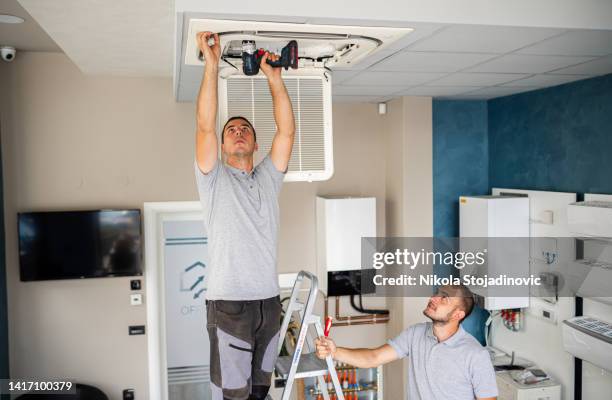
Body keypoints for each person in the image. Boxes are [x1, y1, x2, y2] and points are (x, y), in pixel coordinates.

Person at [193, 31, 296, 400]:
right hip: (228, 305)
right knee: (232, 396)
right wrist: (211, 64)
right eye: (231, 131)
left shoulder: (268, 178)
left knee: (260, 392)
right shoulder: (213, 179)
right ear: (222, 146)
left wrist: (275, 80)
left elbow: (286, 132)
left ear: (254, 143)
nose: (238, 132)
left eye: (245, 130)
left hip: (269, 303)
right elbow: (205, 125)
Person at [315, 285, 498, 400]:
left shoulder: (475, 355)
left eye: (444, 298)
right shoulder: (415, 334)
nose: (433, 298)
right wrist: (335, 350)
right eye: (437, 293)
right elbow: (373, 357)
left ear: (458, 315)